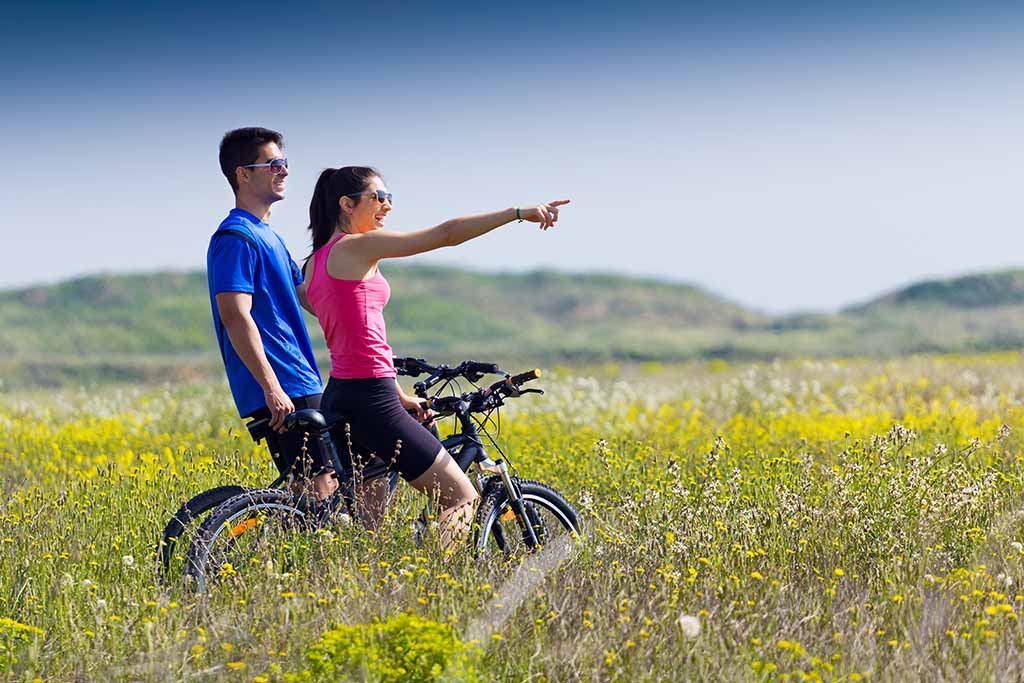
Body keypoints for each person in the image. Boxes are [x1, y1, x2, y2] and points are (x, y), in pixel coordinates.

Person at [303, 165, 568, 548]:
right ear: (346, 204)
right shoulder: (356, 247)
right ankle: (441, 589)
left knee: (369, 532)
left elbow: (356, 339)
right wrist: (517, 213)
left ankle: (377, 596)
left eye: (389, 197)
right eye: (378, 197)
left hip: (344, 394)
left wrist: (398, 392)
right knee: (461, 498)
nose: (387, 206)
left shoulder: (314, 265)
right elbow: (444, 235)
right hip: (371, 399)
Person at [207, 127, 337, 500]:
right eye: (273, 164)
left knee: (331, 486)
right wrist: (271, 386)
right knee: (317, 493)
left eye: (285, 163)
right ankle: (289, 558)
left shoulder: (271, 237)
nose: (283, 171)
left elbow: (310, 298)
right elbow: (236, 316)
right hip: (283, 385)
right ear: (242, 174)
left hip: (302, 378)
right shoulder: (235, 238)